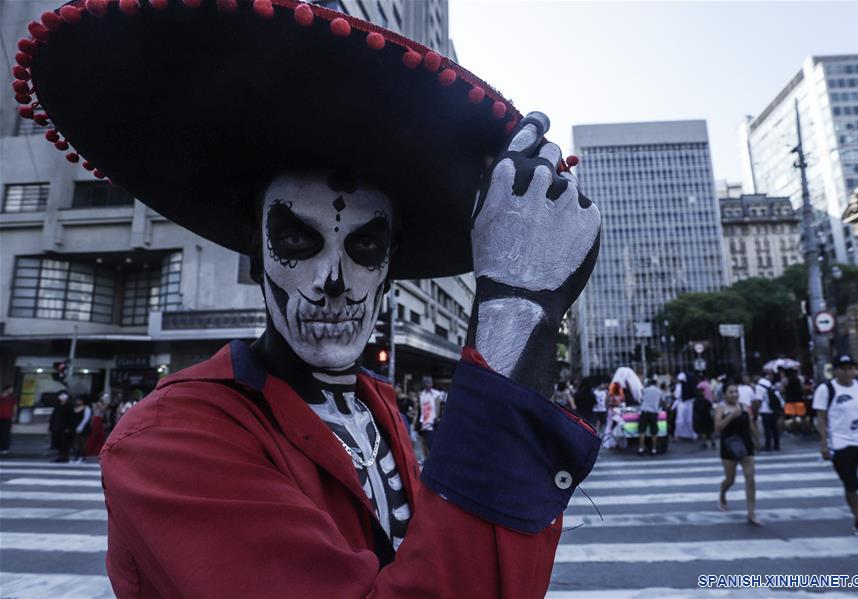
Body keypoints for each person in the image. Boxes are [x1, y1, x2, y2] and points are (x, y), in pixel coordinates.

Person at [20, 3, 602, 594]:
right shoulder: (171, 436)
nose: (333, 280)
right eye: (298, 238)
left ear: (389, 265)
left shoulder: (375, 403)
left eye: (365, 247)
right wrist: (515, 308)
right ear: (257, 255)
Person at [813, 355, 858, 537]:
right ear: (836, 370)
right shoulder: (826, 389)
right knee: (851, 485)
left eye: (850, 368)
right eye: (843, 368)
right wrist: (824, 443)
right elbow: (821, 418)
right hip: (841, 443)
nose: (847, 372)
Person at [715, 382, 761, 526]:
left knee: (750, 478)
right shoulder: (720, 408)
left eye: (736, 391)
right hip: (729, 446)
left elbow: (751, 424)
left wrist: (757, 439)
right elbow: (718, 427)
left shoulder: (744, 406)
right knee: (730, 479)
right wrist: (731, 416)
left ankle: (751, 512)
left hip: (746, 445)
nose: (734, 394)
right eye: (731, 392)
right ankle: (722, 493)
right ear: (725, 394)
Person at [755, 370, 783, 451]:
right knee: (774, 428)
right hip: (773, 409)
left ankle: (768, 445)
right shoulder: (770, 384)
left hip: (765, 409)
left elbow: (759, 399)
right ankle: (776, 444)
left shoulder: (759, 385)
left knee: (767, 429)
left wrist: (757, 410)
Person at [417, 376, 444, 457]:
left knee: (432, 443)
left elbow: (438, 406)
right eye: (426, 382)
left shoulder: (437, 394)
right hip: (423, 423)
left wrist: (436, 418)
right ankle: (427, 460)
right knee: (425, 443)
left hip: (433, 423)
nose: (428, 383)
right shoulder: (421, 395)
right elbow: (421, 410)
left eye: (429, 381)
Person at [48, 391, 76, 463]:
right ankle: (60, 456)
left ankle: (65, 457)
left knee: (65, 443)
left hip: (65, 427)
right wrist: (51, 426)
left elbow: (71, 418)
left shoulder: (69, 405)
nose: (62, 397)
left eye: (64, 395)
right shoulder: (57, 405)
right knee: (59, 442)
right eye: (61, 395)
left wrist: (69, 428)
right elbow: (53, 417)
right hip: (57, 427)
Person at [637, 379, 662, 456]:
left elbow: (640, 400)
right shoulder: (659, 391)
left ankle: (641, 449)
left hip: (644, 412)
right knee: (654, 432)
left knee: (642, 431)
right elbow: (662, 402)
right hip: (654, 413)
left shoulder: (644, 390)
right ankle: (653, 450)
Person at [72, 396, 93, 462]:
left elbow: (86, 419)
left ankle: (82, 456)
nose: (78, 402)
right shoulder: (75, 408)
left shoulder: (86, 408)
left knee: (83, 442)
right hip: (75, 427)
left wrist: (81, 427)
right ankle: (76, 456)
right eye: (77, 400)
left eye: (80, 400)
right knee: (76, 442)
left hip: (84, 428)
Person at [0, 385, 16, 454]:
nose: (12, 390)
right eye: (11, 389)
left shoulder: (12, 398)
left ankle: (5, 448)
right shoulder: (1, 397)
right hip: (1, 416)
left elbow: (15, 407)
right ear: (6, 389)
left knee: (6, 433)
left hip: (8, 417)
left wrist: (14, 416)